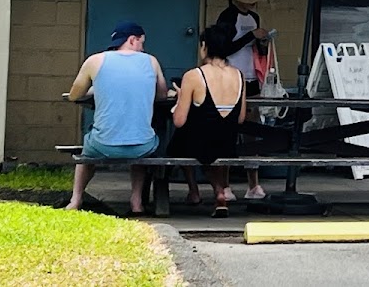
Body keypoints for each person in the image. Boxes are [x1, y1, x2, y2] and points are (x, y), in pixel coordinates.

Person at [65, 21, 168, 214]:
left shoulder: (95, 61)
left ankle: (76, 199)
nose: (143, 48)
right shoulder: (151, 61)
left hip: (102, 145)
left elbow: (74, 95)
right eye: (142, 43)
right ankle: (136, 201)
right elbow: (162, 94)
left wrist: (97, 88)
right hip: (143, 146)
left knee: (86, 153)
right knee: (143, 138)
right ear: (132, 40)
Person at [167, 25, 247, 218]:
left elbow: (179, 120)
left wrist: (180, 98)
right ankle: (219, 191)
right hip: (228, 143)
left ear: (204, 46)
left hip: (200, 144)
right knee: (211, 143)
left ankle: (196, 191)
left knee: (180, 140)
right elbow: (241, 118)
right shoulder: (239, 75)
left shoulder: (194, 75)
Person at [214, 0, 272, 201]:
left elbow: (258, 51)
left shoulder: (254, 17)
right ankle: (224, 185)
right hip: (229, 78)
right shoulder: (227, 17)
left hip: (251, 78)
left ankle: (253, 184)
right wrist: (250, 37)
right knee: (227, 132)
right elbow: (223, 49)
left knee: (252, 133)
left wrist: (262, 42)